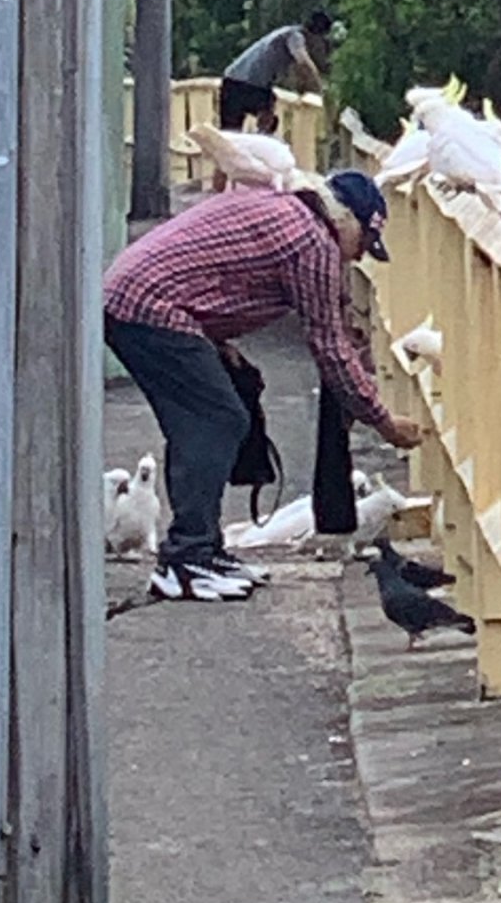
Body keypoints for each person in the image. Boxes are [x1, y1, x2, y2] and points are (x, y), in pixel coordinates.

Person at [104, 170, 422, 603]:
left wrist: (216, 341)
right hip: (149, 306)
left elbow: (212, 271)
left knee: (215, 410)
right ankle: (186, 558)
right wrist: (384, 422)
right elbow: (329, 348)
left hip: (136, 295)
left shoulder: (282, 209)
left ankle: (203, 549)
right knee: (215, 418)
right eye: (363, 245)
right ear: (346, 222)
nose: (358, 258)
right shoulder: (312, 242)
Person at [219, 10, 333, 135]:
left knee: (230, 133)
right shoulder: (295, 36)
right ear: (317, 36)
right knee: (268, 114)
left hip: (231, 80)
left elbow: (297, 71)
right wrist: (319, 88)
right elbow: (303, 62)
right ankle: (263, 142)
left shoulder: (285, 32)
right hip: (251, 84)